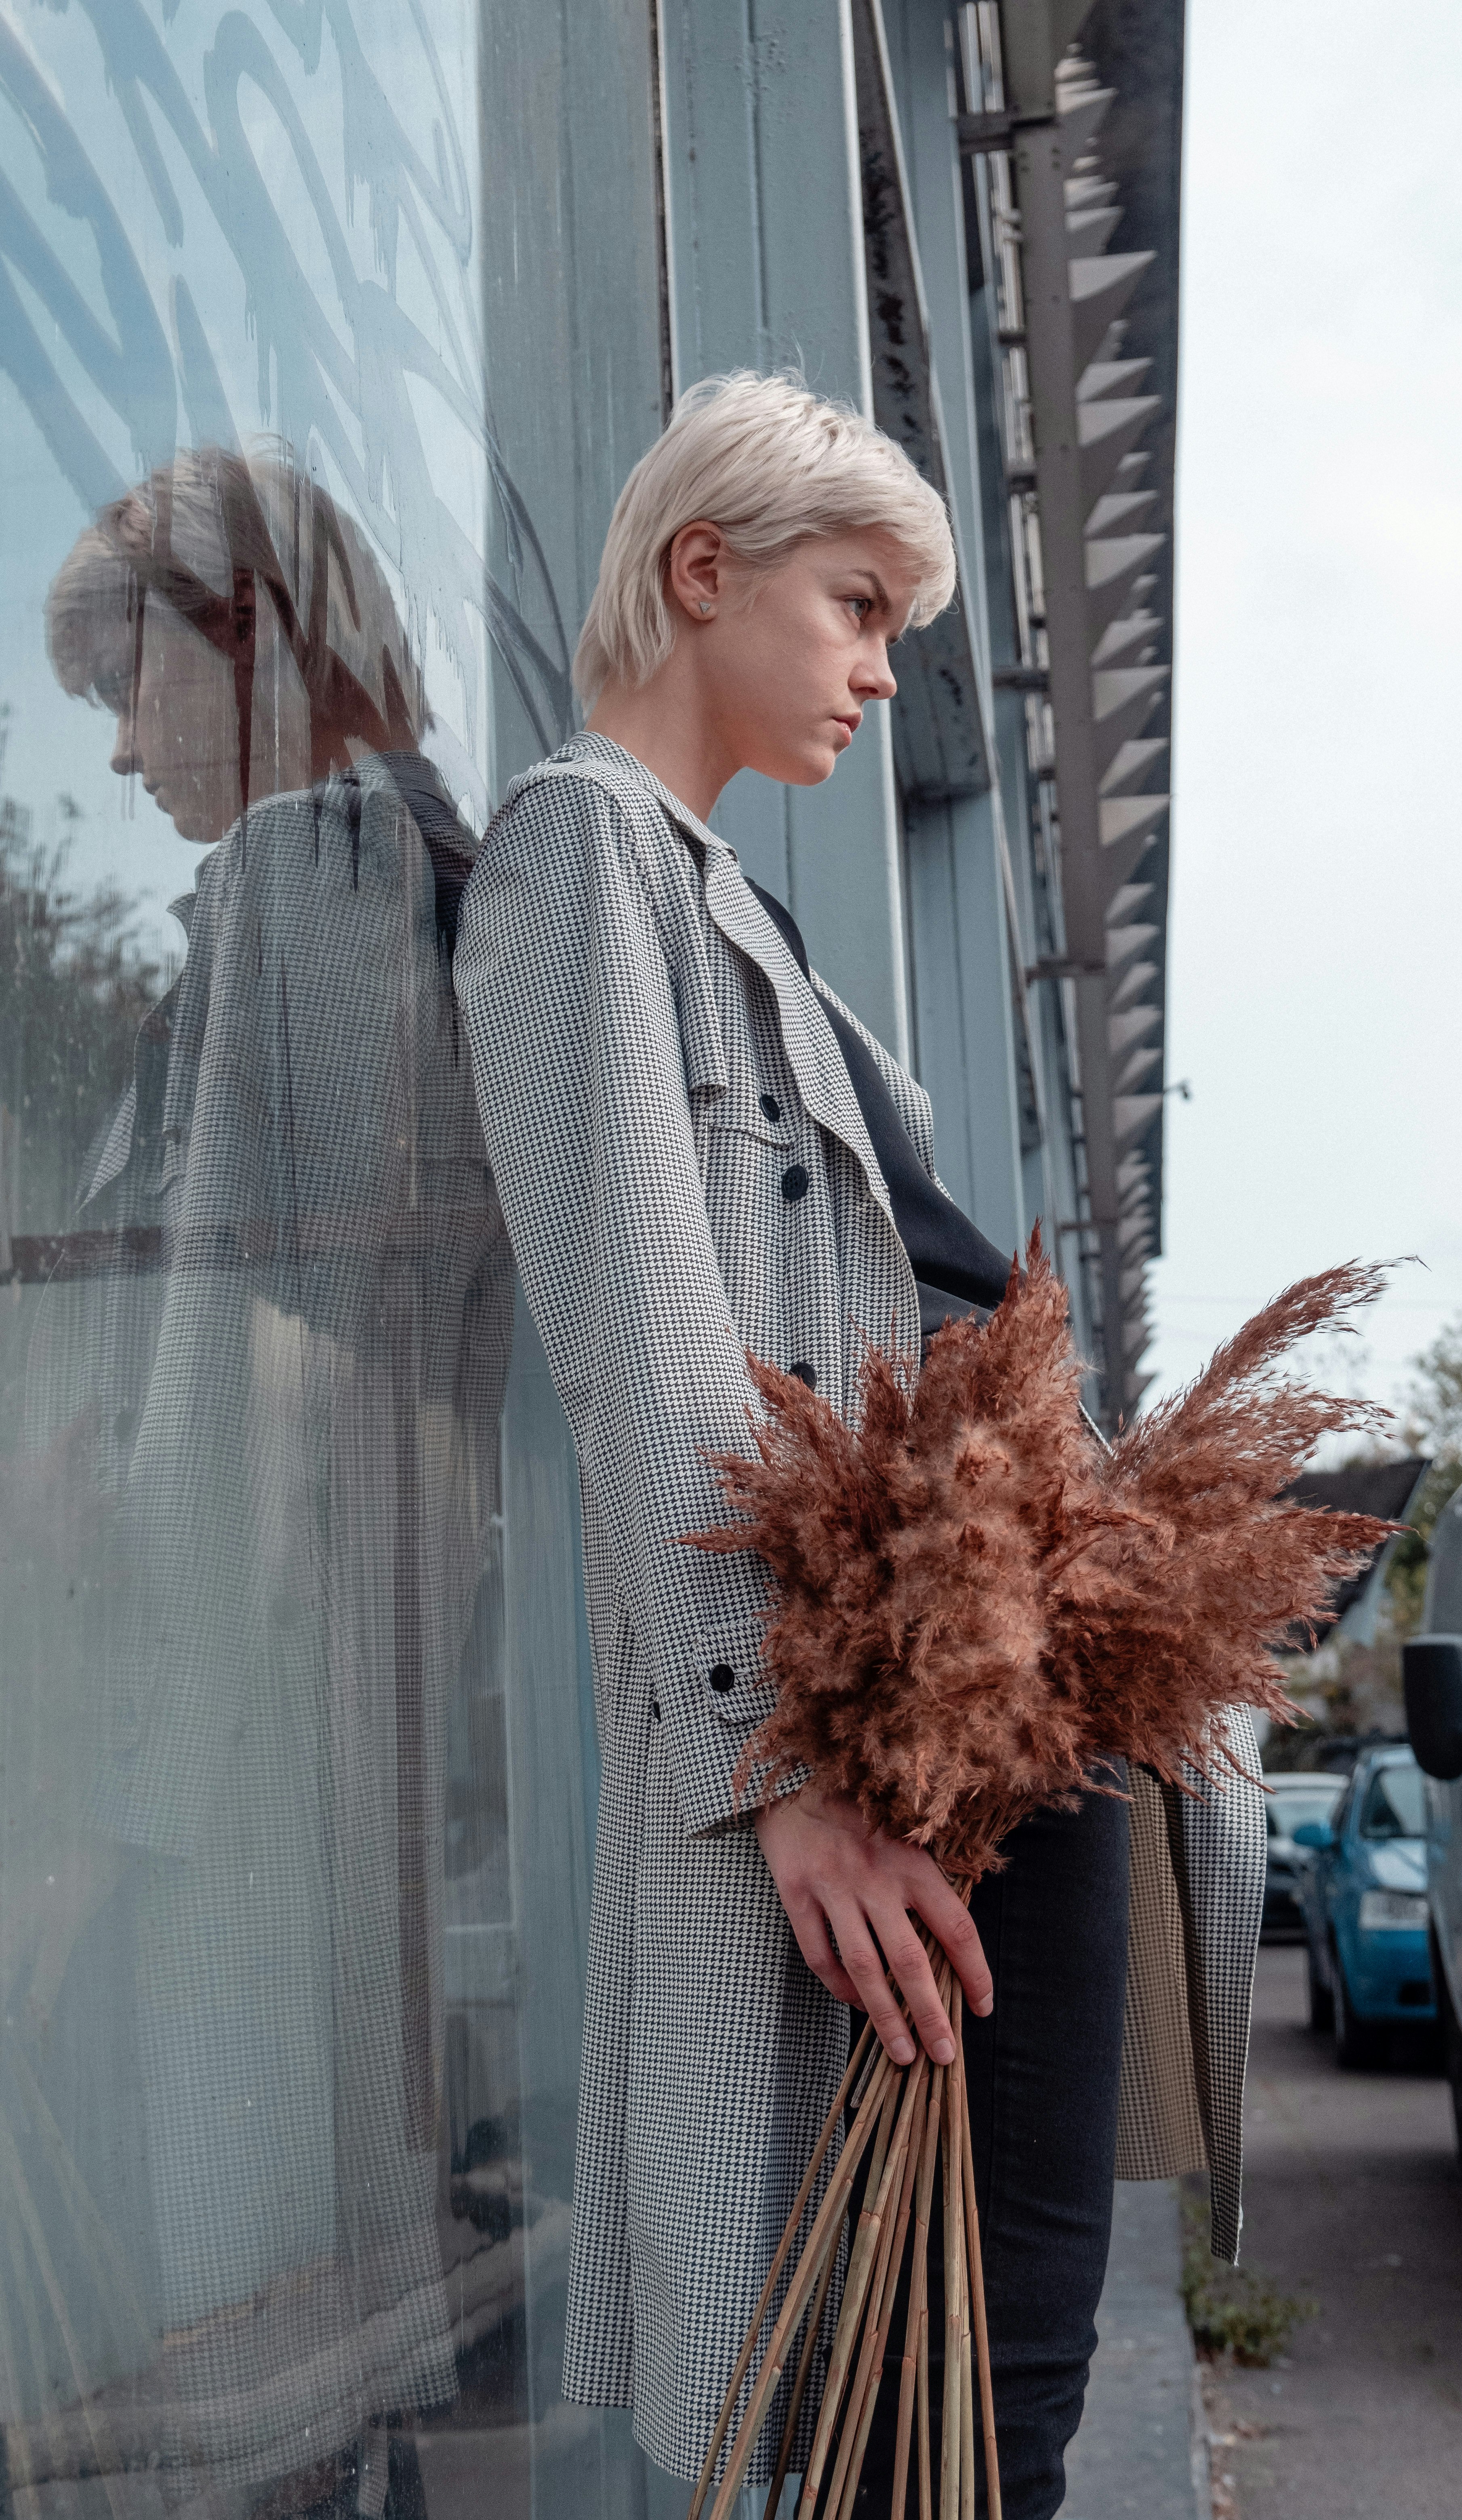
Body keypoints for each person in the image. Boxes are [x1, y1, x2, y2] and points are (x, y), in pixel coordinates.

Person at [456, 372, 1265, 2516]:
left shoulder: (753, 928)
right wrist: (793, 1763)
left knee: (1002, 2380)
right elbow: (645, 1337)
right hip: (853, 1763)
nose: (881, 665)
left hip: (989, 1739)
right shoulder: (577, 854)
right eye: (856, 603)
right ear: (700, 570)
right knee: (907, 2403)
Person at [5, 445, 513, 2511]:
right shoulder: (323, 891)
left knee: (223, 2357)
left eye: (130, 687)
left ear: (248, 637)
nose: (118, 755)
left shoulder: (321, 889)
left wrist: (101, 1836)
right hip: (259, 1770)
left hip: (233, 1800)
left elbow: (306, 1406)